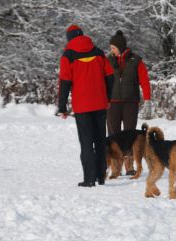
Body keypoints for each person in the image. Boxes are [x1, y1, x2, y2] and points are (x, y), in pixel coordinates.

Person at [58, 24, 114, 187]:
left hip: (82, 106)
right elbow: (110, 77)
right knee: (100, 140)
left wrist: (62, 107)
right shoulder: (98, 52)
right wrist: (108, 99)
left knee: (87, 142)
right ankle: (101, 176)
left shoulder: (68, 55)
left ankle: (89, 179)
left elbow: (65, 82)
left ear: (69, 39)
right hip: (100, 103)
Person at [107, 30, 151, 176]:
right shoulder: (107, 61)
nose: (111, 50)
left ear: (120, 47)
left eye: (113, 47)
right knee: (113, 135)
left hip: (130, 102)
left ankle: (129, 166)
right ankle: (115, 168)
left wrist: (148, 99)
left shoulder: (136, 61)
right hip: (112, 102)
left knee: (129, 135)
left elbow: (144, 81)